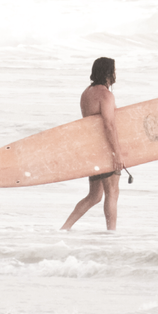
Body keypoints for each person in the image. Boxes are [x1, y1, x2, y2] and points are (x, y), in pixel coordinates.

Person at [60, 57, 124, 232]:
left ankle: (64, 228)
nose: (116, 74)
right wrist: (117, 153)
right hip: (105, 149)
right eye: (114, 71)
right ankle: (112, 233)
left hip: (91, 148)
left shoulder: (86, 93)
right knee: (112, 193)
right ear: (109, 73)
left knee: (94, 196)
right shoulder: (106, 95)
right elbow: (109, 126)